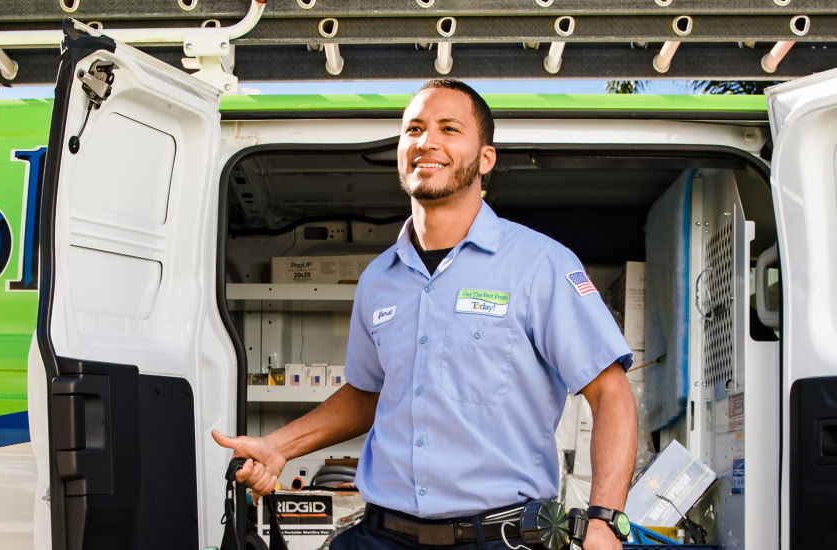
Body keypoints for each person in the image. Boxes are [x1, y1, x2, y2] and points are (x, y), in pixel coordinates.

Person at [212, 79, 637, 550]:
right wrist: (278, 447)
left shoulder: (540, 265)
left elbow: (610, 391)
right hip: (381, 535)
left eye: (449, 128)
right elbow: (367, 396)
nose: (426, 142)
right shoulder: (379, 278)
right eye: (413, 129)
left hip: (499, 538)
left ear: (486, 159)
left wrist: (604, 519)